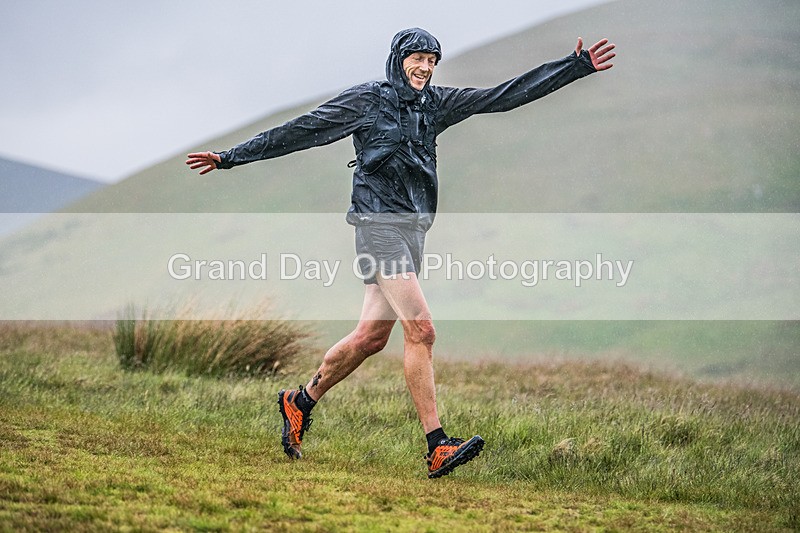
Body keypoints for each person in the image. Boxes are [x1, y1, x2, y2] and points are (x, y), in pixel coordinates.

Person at [186, 28, 614, 478]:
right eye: (418, 59)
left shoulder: (437, 105)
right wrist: (230, 156)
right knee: (422, 330)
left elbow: (500, 97)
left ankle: (300, 401)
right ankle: (437, 445)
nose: (425, 69)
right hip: (377, 227)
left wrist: (574, 67)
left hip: (412, 232)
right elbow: (300, 131)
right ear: (398, 58)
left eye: (432, 61)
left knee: (371, 338)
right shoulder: (367, 101)